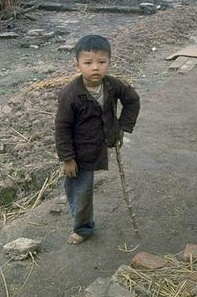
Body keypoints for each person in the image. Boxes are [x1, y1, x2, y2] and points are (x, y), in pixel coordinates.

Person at [55, 35, 140, 244]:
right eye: (88, 63)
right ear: (77, 65)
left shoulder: (112, 85)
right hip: (79, 152)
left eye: (101, 62)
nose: (95, 68)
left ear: (109, 62)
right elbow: (62, 128)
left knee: (82, 189)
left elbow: (132, 100)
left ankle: (83, 224)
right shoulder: (70, 94)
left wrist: (122, 126)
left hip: (102, 142)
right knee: (81, 191)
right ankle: (83, 228)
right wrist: (67, 158)